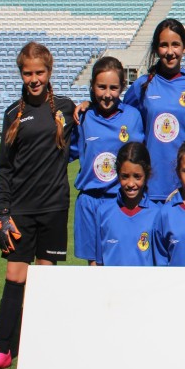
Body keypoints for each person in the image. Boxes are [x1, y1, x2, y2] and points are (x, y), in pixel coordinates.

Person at [0, 42, 76, 369]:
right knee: (15, 277)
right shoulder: (11, 114)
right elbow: (5, 169)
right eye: (28, 73)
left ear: (49, 72)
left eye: (40, 72)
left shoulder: (64, 108)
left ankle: (40, 346)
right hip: (20, 210)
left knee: (44, 281)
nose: (34, 79)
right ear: (21, 73)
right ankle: (3, 349)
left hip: (54, 208)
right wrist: (3, 213)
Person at [121, 19, 185, 201]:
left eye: (175, 45)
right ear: (156, 48)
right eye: (164, 45)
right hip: (151, 188)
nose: (170, 52)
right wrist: (89, 106)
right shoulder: (142, 86)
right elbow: (120, 115)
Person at [71, 56, 145, 263]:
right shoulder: (83, 117)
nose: (107, 94)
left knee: (118, 262)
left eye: (113, 87)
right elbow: (66, 151)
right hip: (89, 201)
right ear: (92, 86)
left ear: (122, 87)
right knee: (94, 266)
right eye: (101, 87)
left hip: (118, 201)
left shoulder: (132, 117)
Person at [93, 141, 158, 266]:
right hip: (112, 285)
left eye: (137, 176)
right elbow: (98, 263)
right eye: (125, 176)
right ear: (117, 174)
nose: (131, 184)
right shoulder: (103, 212)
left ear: (147, 175)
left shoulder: (157, 215)